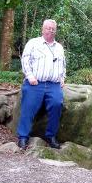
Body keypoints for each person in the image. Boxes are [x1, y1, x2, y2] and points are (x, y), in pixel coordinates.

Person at [16, 19, 66, 149]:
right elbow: (25, 60)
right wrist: (30, 77)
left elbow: (63, 65)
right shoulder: (33, 43)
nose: (50, 30)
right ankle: (23, 137)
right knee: (28, 107)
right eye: (48, 28)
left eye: (53, 28)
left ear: (55, 31)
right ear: (42, 29)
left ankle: (50, 136)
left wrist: (62, 77)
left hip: (53, 85)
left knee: (57, 104)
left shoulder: (59, 47)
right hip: (35, 83)